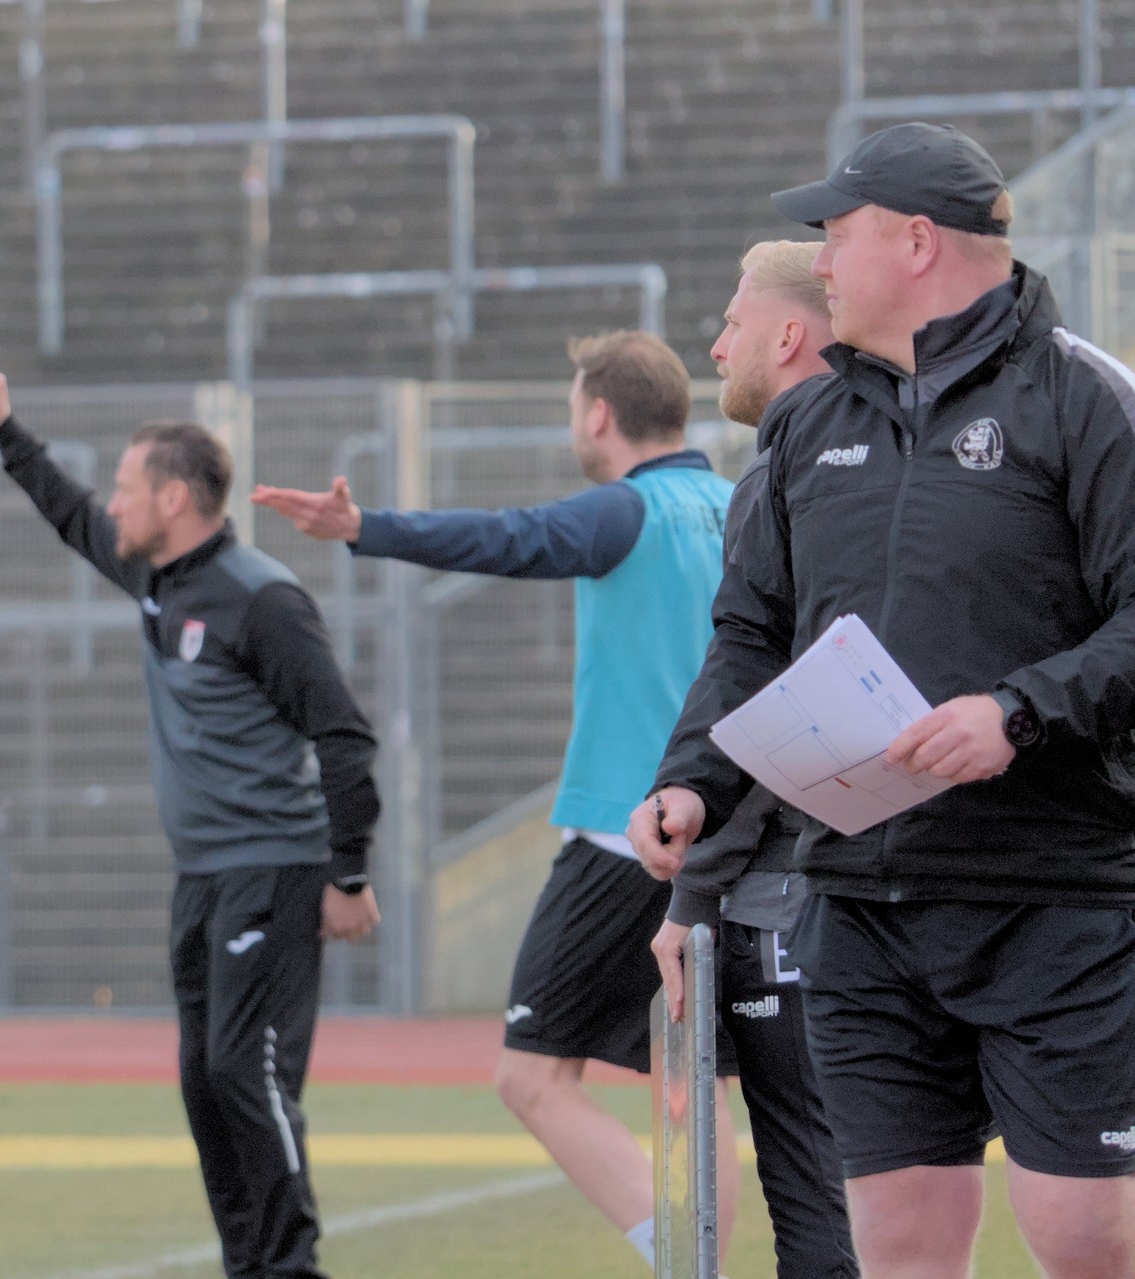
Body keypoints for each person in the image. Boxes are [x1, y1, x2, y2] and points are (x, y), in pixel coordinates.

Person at [629, 123, 1135, 1279]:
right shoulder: (807, 428)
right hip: (858, 905)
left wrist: (1017, 712)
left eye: (838, 234)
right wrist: (694, 783)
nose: (824, 261)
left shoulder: (1084, 399)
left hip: (1052, 900)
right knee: (899, 1246)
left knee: (1085, 1242)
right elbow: (751, 635)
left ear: (916, 242)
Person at [250, 331, 737, 1270]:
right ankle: (702, 1257)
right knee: (693, 1077)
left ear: (599, 412)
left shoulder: (628, 508)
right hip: (720, 837)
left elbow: (511, 538)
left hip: (622, 834)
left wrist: (365, 527)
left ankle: (682, 1261)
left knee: (532, 1075)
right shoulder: (738, 505)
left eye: (574, 405)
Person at [0, 360, 381, 1279]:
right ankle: (248, 1264)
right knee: (204, 1080)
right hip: (203, 877)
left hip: (274, 868)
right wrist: (3, 427)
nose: (113, 502)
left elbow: (343, 734)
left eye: (128, 486)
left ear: (174, 498)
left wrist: (348, 873)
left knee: (245, 1071)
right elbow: (72, 516)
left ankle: (292, 1265)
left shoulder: (263, 598)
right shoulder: (157, 578)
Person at [638, 241, 859, 1279]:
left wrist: (695, 895)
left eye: (733, 322)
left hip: (801, 897)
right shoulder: (874, 456)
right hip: (870, 884)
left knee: (823, 1202)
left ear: (790, 333)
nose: (718, 346)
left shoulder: (789, 474)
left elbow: (783, 702)